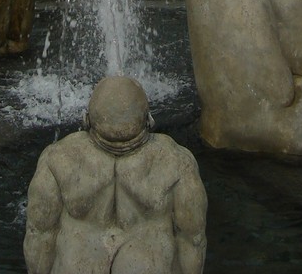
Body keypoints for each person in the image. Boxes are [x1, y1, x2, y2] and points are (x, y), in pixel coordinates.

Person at [24, 76, 207, 274]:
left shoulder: (56, 159)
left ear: (86, 120)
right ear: (149, 120)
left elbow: (40, 234)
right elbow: (192, 239)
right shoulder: (178, 162)